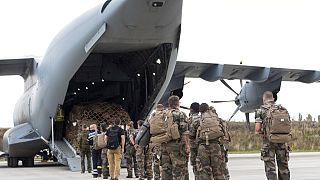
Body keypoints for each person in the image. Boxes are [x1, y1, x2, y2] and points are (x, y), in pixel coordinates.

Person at [255, 91, 291, 180]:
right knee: (283, 167)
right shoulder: (282, 109)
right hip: (282, 142)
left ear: (264, 99)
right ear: (273, 98)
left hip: (269, 143)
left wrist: (262, 133)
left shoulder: (261, 110)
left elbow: (257, 128)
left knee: (270, 168)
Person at [159, 95, 190, 179]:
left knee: (165, 170)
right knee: (178, 171)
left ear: (169, 103)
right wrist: (187, 146)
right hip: (177, 146)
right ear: (178, 103)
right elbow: (185, 132)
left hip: (164, 146)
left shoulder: (162, 114)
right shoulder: (181, 114)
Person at [196, 103, 226, 180]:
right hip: (216, 146)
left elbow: (191, 135)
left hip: (202, 147)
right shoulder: (217, 119)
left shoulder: (197, 120)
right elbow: (224, 132)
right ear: (208, 109)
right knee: (218, 170)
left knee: (204, 170)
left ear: (200, 111)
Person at [188, 102, 201, 180]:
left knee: (194, 164)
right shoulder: (201, 118)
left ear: (191, 110)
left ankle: (197, 177)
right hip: (202, 144)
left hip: (193, 145)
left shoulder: (189, 119)